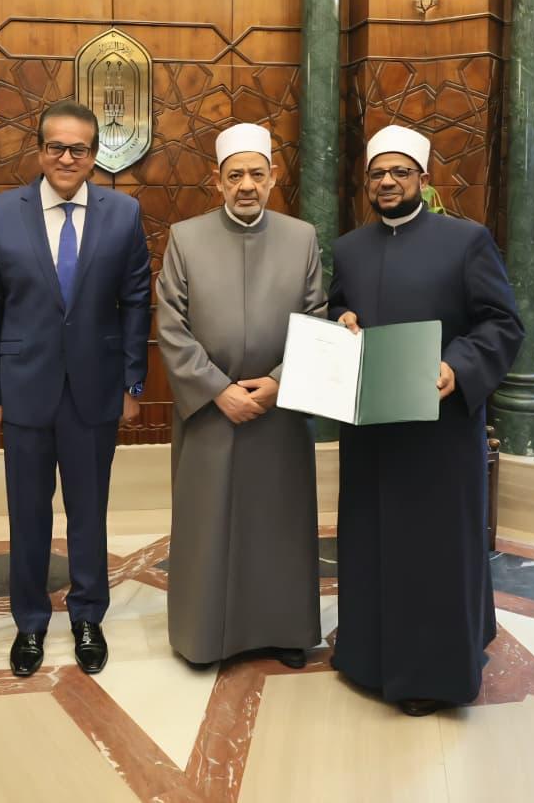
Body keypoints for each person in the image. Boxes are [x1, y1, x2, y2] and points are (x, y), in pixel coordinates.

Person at [329, 124, 524, 716]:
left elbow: (502, 323)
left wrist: (457, 367)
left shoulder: (466, 241)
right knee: (371, 541)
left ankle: (434, 674)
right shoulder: (349, 248)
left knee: (435, 551)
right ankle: (366, 659)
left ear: (423, 178)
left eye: (399, 172)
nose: (387, 181)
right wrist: (342, 320)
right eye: (377, 173)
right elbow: (339, 306)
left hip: (440, 431)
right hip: (370, 431)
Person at [0, 100, 150, 677]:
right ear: (39, 150)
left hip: (96, 389)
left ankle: (88, 615)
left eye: (79, 149)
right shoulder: (1, 214)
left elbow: (136, 302)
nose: (67, 158)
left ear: (95, 155)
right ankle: (30, 622)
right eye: (57, 147)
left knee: (89, 511)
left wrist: (133, 382)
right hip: (24, 389)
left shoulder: (123, 213)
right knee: (28, 514)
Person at [156, 123, 324, 666]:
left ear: (274, 177)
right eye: (235, 176)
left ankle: (286, 631)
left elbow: (317, 319)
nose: (246, 185)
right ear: (217, 181)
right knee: (208, 528)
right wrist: (217, 390)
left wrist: (278, 382)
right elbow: (171, 326)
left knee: (279, 526)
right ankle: (205, 638)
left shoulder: (302, 237)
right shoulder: (185, 238)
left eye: (256, 174)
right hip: (211, 412)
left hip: (279, 411)